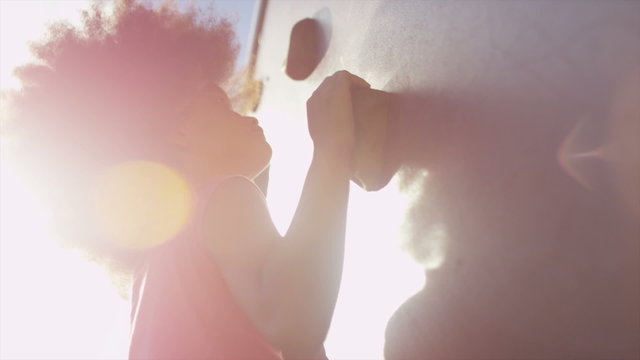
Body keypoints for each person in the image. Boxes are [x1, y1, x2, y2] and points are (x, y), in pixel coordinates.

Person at [2, 0, 369, 358]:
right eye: (219, 102)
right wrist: (333, 147)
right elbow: (293, 322)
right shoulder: (223, 197)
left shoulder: (155, 268)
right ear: (177, 132)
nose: (245, 114)